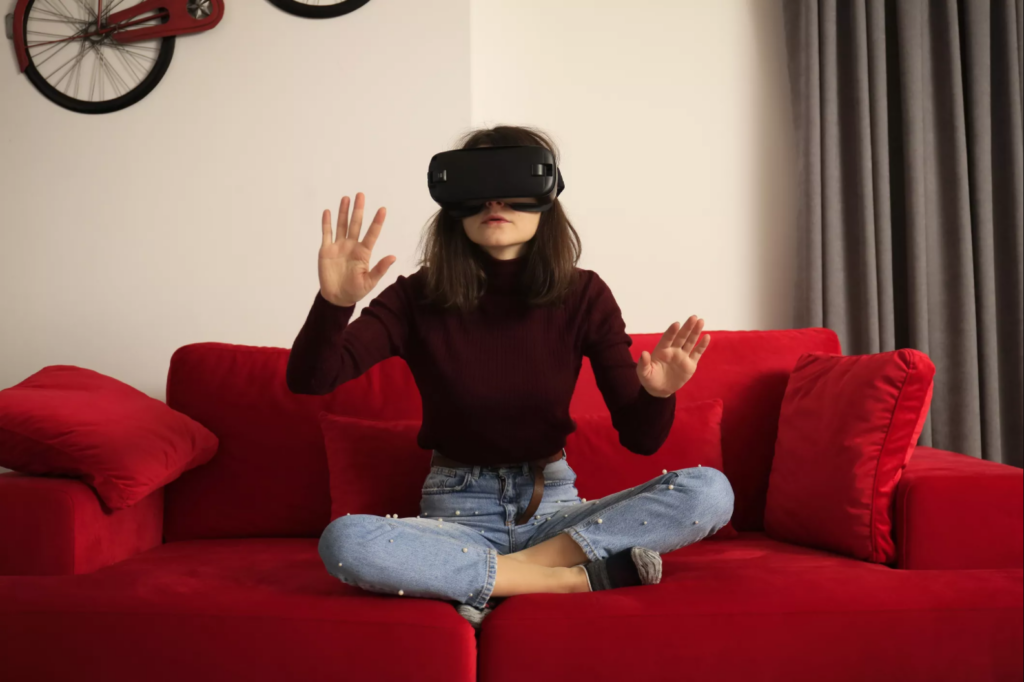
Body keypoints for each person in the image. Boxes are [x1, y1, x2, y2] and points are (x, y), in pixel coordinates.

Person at [287, 125, 735, 631]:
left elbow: (641, 440)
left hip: (557, 513)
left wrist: (657, 395)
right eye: (477, 187)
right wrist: (335, 305)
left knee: (710, 491)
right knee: (343, 543)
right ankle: (570, 580)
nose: (493, 200)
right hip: (455, 517)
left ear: (548, 197)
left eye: (512, 182)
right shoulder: (417, 297)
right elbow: (314, 379)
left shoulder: (584, 295)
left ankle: (494, 580)